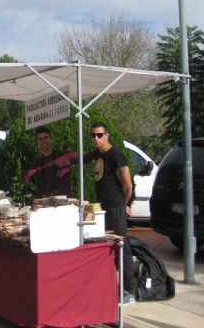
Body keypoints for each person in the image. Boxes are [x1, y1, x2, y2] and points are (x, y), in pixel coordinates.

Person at [88, 121, 136, 304]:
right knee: (107, 247)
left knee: (122, 246)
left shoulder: (116, 156)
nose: (96, 138)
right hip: (103, 207)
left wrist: (122, 204)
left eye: (99, 135)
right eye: (93, 135)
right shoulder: (98, 155)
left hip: (115, 207)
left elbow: (127, 184)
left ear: (107, 135)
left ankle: (128, 290)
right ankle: (112, 286)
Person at [21, 126, 74, 198]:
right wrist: (25, 175)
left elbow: (84, 158)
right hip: (48, 203)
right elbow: (27, 177)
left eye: (46, 138)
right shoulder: (38, 161)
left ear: (51, 139)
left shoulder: (64, 155)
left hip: (65, 204)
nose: (43, 141)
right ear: (37, 142)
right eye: (40, 139)